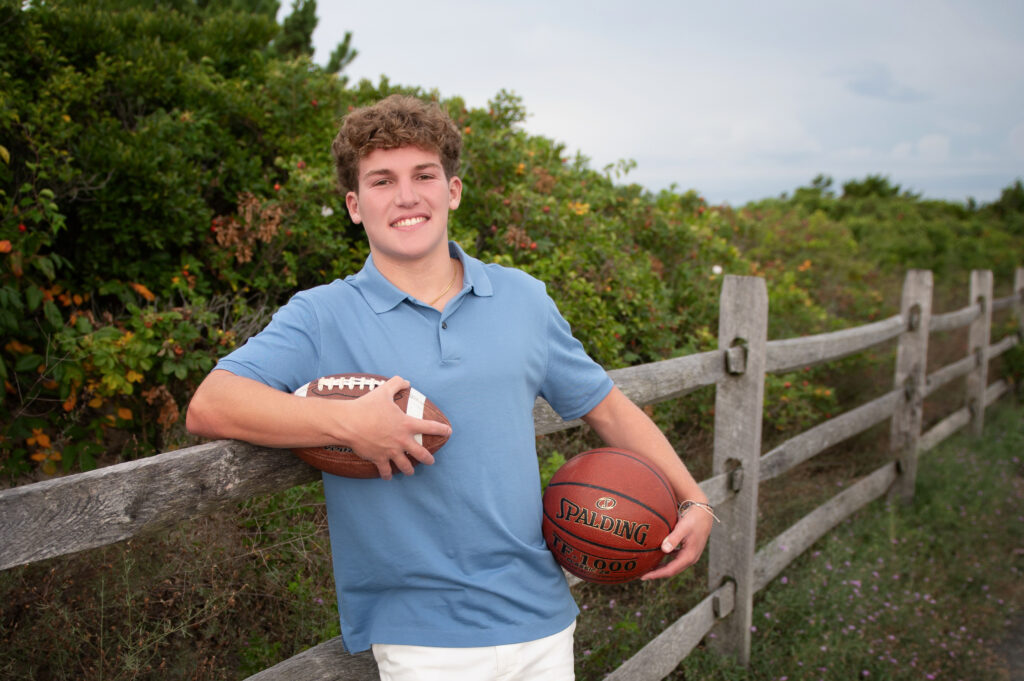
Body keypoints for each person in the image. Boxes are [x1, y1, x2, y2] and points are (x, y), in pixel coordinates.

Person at [186, 94, 714, 681]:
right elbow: (211, 404)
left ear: (453, 191)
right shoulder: (321, 315)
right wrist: (346, 423)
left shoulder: (523, 299)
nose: (407, 196)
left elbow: (609, 410)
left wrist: (693, 498)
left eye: (424, 175)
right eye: (382, 181)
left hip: (541, 616)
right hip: (421, 635)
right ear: (355, 206)